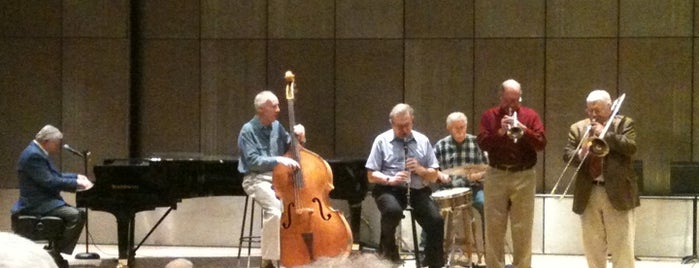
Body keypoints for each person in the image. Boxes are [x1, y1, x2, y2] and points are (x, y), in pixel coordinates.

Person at [563, 89, 639, 268]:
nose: (593, 115)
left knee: (622, 246)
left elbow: (631, 147)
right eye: (589, 110)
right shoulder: (578, 127)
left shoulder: (625, 123)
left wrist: (606, 133)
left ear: (609, 107)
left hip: (618, 192)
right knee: (593, 246)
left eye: (597, 110)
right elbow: (567, 155)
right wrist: (581, 153)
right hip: (589, 192)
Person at [477, 79, 546, 268]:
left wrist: (525, 130)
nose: (512, 106)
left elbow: (541, 143)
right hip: (496, 173)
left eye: (515, 101)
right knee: (494, 227)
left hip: (524, 174)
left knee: (522, 227)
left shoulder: (530, 115)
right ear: (501, 97)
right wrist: (500, 131)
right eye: (508, 101)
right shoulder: (489, 116)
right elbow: (482, 143)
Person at [365, 103, 444, 268]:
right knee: (391, 211)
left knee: (436, 221)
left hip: (417, 190)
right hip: (389, 189)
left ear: (412, 121)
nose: (404, 130)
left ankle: (432, 261)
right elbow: (371, 175)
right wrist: (390, 179)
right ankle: (389, 255)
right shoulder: (381, 140)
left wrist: (421, 170)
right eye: (399, 126)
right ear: (391, 123)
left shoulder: (422, 140)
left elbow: (435, 174)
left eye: (407, 125)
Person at [237, 90, 306, 268]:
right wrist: (277, 160)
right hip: (257, 179)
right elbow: (253, 162)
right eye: (273, 106)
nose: (278, 109)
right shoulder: (248, 131)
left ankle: (293, 255)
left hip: (278, 178)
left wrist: (299, 136)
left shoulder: (277, 126)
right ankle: (268, 262)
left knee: (295, 207)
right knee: (275, 211)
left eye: (278, 105)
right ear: (261, 109)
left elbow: (292, 148)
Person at [10, 124, 94, 268]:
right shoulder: (33, 155)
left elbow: (55, 175)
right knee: (76, 215)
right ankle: (54, 253)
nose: (58, 147)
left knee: (76, 214)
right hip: (37, 203)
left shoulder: (36, 151)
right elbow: (49, 181)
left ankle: (55, 252)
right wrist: (76, 183)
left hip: (44, 201)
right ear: (47, 141)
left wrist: (77, 177)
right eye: (56, 143)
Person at [432, 112, 489, 264]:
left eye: (462, 127)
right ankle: (431, 254)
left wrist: (478, 175)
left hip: (473, 189)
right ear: (449, 128)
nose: (460, 130)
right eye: (456, 128)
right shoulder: (441, 145)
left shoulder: (477, 143)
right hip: (447, 189)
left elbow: (488, 168)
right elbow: (431, 169)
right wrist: (439, 175)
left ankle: (489, 252)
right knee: (431, 213)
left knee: (485, 205)